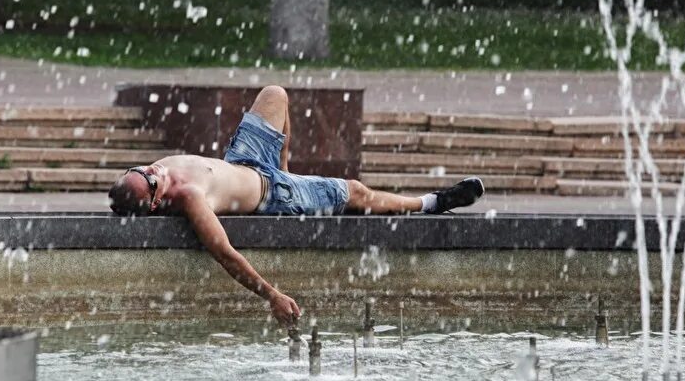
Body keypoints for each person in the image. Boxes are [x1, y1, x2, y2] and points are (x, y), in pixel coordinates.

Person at [107, 85, 485, 326]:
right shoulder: (188, 198)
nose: (159, 172)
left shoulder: (148, 175)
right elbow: (224, 252)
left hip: (244, 158)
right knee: (356, 193)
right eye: (155, 182)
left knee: (275, 93)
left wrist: (284, 165)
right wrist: (272, 294)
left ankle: (290, 168)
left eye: (148, 170)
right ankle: (431, 203)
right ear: (156, 204)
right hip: (274, 193)